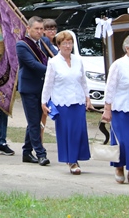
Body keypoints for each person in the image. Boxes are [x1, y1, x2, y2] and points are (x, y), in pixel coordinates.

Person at [41, 31, 91, 174]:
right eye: (64, 43)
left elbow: (83, 80)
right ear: (59, 46)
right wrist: (44, 102)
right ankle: (71, 160)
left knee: (78, 131)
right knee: (67, 132)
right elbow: (48, 84)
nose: (68, 46)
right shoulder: (54, 62)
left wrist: (87, 97)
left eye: (70, 43)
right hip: (62, 103)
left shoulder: (78, 60)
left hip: (78, 101)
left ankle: (76, 157)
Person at [102, 34, 129, 184]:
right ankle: (119, 168)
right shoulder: (119, 65)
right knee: (123, 142)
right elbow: (110, 87)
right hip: (122, 109)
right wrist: (107, 108)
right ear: (127, 48)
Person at [17, 16, 50, 166]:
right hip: (29, 88)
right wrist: (52, 71)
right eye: (36, 29)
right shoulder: (22, 44)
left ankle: (26, 152)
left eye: (42, 29)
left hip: (43, 87)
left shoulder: (45, 42)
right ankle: (41, 153)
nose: (39, 32)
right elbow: (32, 64)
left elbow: (55, 56)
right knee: (34, 122)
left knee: (35, 121)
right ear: (28, 28)